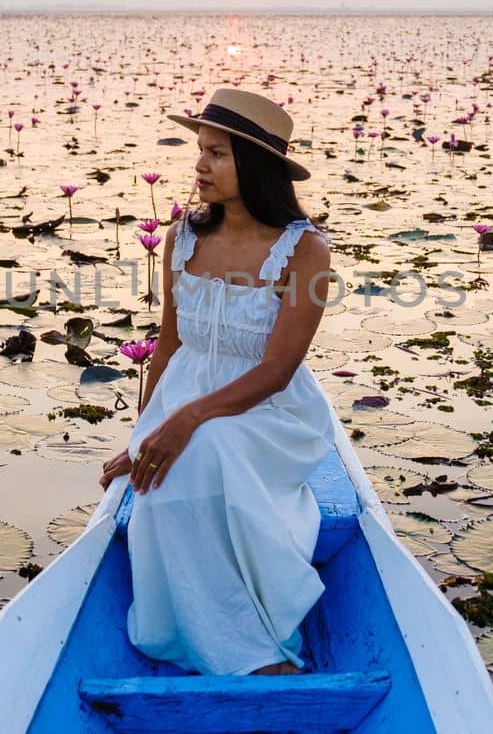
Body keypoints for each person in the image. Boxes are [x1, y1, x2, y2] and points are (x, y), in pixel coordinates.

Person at [98, 87, 336, 677]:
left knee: (206, 450)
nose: (200, 166)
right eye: (200, 151)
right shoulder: (184, 235)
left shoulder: (304, 251)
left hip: (267, 412)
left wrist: (187, 421)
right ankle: (185, 630)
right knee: (170, 472)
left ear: (255, 166)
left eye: (219, 155)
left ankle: (250, 648)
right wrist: (145, 430)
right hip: (185, 396)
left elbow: (278, 371)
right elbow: (170, 343)